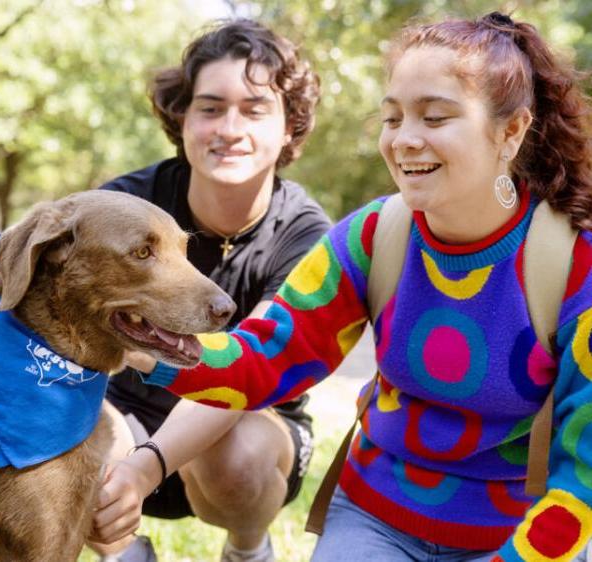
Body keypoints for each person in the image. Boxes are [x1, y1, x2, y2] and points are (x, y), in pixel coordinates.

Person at [122, 11, 592, 562]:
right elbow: (265, 358)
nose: (404, 141)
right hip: (376, 518)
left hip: (521, 535)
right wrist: (156, 345)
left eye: (435, 117)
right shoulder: (373, 236)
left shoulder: (573, 263)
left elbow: (583, 474)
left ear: (511, 131)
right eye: (393, 119)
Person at [89, 19, 330, 562]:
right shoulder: (122, 207)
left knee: (236, 459)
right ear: (183, 118)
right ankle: (124, 553)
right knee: (70, 432)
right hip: (125, 417)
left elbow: (255, 363)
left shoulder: (308, 234)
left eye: (254, 108)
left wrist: (145, 466)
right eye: (211, 107)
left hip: (247, 429)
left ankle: (248, 548)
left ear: (289, 126)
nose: (230, 127)